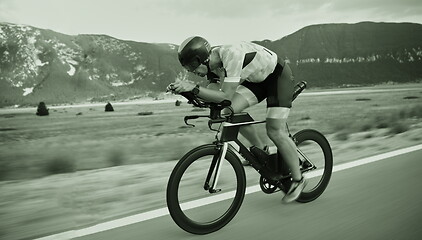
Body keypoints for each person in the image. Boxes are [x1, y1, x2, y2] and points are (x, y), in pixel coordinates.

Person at [170, 36, 306, 203]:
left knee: (274, 130)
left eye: (192, 66)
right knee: (228, 111)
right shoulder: (213, 66)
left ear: (203, 59)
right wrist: (187, 92)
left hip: (278, 77)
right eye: (187, 68)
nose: (192, 71)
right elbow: (216, 97)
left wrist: (194, 88)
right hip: (256, 81)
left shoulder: (231, 55)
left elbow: (225, 95)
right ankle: (261, 152)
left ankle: (299, 180)